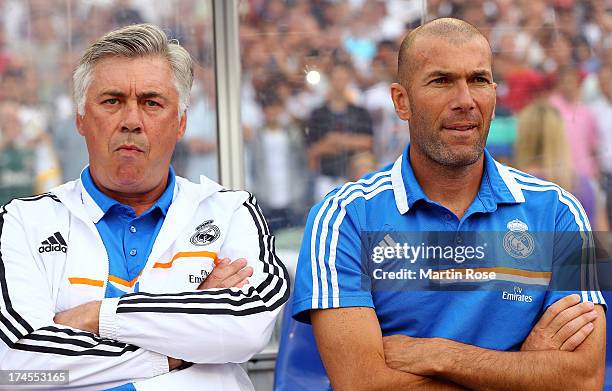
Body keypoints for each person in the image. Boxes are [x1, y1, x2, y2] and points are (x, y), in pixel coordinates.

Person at [292, 18, 605, 390]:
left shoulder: (559, 211)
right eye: (441, 81)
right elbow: (363, 385)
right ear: (401, 101)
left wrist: (441, 355)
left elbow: (585, 379)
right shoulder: (343, 217)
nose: (465, 101)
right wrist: (527, 368)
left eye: (478, 80)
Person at [0, 24, 289, 390]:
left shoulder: (229, 211)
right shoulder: (23, 222)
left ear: (181, 122)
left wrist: (97, 315)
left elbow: (247, 328)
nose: (132, 122)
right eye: (112, 101)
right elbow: (18, 368)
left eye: (152, 102)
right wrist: (178, 347)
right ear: (80, 120)